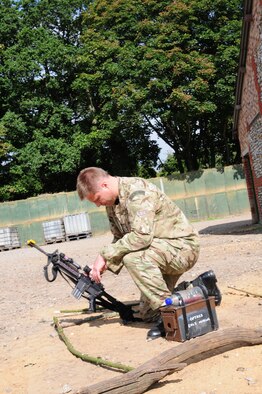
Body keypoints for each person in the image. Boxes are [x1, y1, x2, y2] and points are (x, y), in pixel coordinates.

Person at [76, 167, 200, 339]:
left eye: (97, 199)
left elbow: (142, 237)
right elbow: (119, 239)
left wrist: (104, 255)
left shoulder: (137, 192)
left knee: (133, 258)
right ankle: (198, 288)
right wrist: (103, 265)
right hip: (157, 253)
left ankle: (171, 314)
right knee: (148, 314)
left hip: (182, 248)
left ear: (104, 185)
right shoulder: (113, 201)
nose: (98, 204)